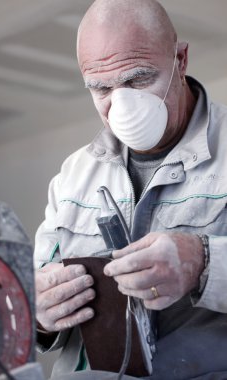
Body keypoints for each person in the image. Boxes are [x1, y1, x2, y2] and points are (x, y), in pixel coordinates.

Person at [34, 0, 227, 379]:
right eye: (101, 88)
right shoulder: (75, 174)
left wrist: (204, 264)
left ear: (181, 60)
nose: (121, 105)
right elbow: (32, 301)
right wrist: (38, 312)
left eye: (138, 80)